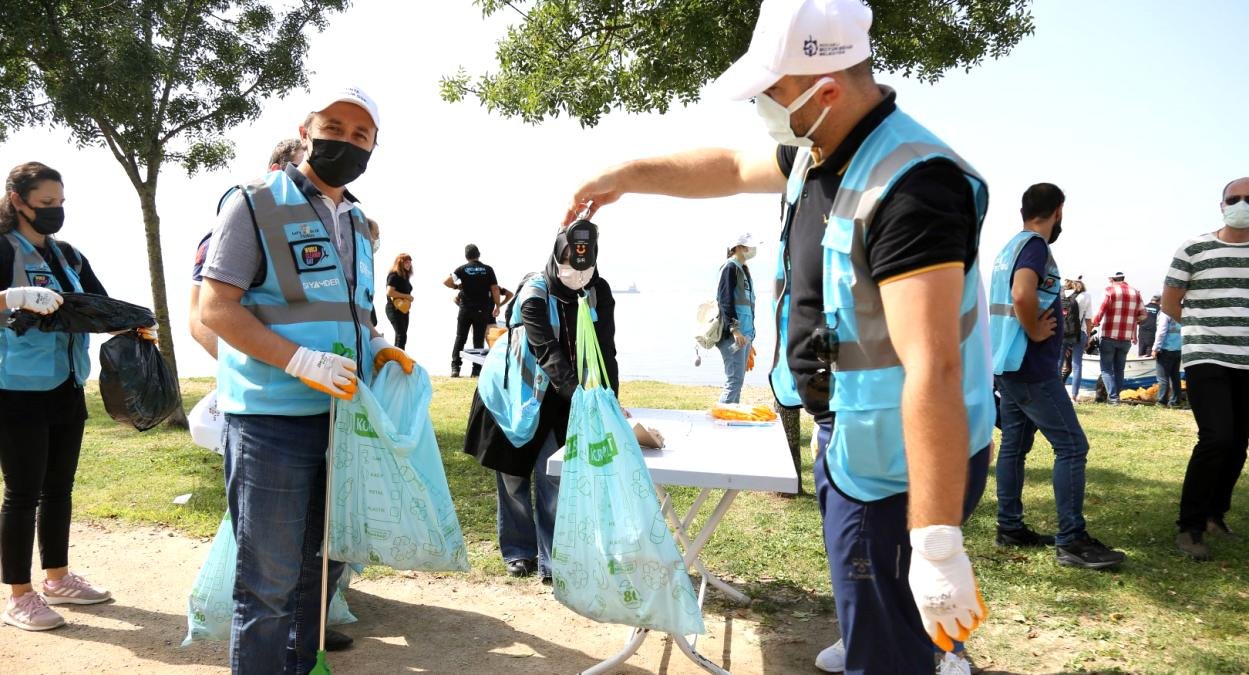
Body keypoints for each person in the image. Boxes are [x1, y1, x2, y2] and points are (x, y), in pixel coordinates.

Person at [561, 2, 993, 671]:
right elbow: (731, 167)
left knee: (892, 636)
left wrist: (936, 543)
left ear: (824, 89)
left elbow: (931, 368)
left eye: (770, 90)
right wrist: (625, 177)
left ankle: (893, 647)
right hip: (848, 430)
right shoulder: (819, 149)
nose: (761, 102)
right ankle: (877, 629)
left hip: (897, 462)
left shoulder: (913, 187)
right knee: (873, 604)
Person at [198, 87, 414, 673]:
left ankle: (303, 664)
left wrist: (377, 345)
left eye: (361, 135)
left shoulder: (358, 223)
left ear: (374, 147)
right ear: (306, 129)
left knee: (326, 565)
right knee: (267, 583)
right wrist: (300, 361)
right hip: (271, 421)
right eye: (335, 127)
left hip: (344, 421)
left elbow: (352, 311)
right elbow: (215, 310)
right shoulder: (252, 204)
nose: (346, 141)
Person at [0, 162, 152, 631]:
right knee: (22, 493)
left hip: (67, 383)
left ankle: (58, 579)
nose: (55, 211)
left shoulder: (68, 256)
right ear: (17, 200)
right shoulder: (3, 250)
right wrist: (12, 298)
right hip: (15, 389)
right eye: (46, 204)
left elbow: (98, 306)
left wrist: (136, 323)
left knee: (58, 489)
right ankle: (19, 596)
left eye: (60, 203)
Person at [463, 225, 618, 584]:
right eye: (570, 263)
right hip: (517, 390)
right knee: (513, 475)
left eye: (585, 266)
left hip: (564, 394)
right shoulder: (534, 293)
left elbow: (606, 349)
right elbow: (545, 349)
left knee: (554, 477)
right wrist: (579, 393)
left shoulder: (598, 292)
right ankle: (519, 551)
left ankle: (553, 559)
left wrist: (609, 396)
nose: (577, 273)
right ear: (556, 257)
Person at [988, 183, 1126, 570]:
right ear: (1059, 211)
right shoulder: (1034, 246)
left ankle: (1010, 525)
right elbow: (1021, 293)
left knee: (1015, 447)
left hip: (1008, 365)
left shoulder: (1008, 247)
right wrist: (1033, 330)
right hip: (1030, 368)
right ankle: (1071, 540)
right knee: (1072, 447)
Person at [1165, 176, 1249, 561]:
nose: (1242, 204)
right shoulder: (1194, 248)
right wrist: (1202, 330)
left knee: (1238, 443)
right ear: (1221, 205)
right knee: (1216, 437)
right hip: (1207, 356)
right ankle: (1190, 526)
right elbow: (1170, 303)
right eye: (1235, 198)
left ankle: (1216, 515)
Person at [189, 138, 307, 358]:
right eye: (302, 169)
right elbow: (199, 317)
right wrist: (241, 370)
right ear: (275, 170)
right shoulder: (229, 231)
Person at [445, 244, 506, 377]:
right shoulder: (487, 269)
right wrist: (497, 306)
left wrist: (457, 287)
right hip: (482, 310)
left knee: (460, 338)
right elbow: (495, 288)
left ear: (466, 256)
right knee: (478, 340)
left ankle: (455, 368)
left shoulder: (462, 269)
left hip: (465, 309)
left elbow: (446, 281)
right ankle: (476, 371)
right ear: (479, 254)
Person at [716, 233, 758, 403]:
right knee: (734, 381)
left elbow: (747, 307)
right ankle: (720, 420)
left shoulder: (743, 271)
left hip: (744, 335)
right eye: (748, 246)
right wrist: (735, 330)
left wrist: (750, 337)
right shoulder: (730, 268)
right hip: (734, 336)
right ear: (738, 247)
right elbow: (725, 301)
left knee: (737, 382)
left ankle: (730, 421)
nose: (752, 250)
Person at [1091, 272, 1146, 403]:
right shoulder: (1136, 292)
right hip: (1126, 338)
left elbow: (1100, 311)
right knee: (1119, 370)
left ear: (1111, 279)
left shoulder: (1109, 290)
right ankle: (1117, 397)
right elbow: (1143, 314)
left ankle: (1113, 398)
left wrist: (1093, 324)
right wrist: (1132, 320)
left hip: (1109, 334)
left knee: (1106, 369)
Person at [1060, 277, 1094, 400]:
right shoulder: (1085, 296)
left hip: (1061, 333)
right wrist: (1089, 337)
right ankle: (1074, 396)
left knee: (1058, 364)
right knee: (1077, 365)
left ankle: (1056, 394)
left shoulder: (1060, 293)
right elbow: (1089, 318)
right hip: (1079, 333)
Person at [1152, 312, 1182, 408]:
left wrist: (1156, 348)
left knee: (1163, 377)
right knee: (1175, 376)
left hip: (1166, 349)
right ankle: (1176, 401)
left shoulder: (1165, 313)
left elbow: (1161, 331)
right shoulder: (1181, 312)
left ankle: (1162, 402)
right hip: (1178, 348)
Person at [385, 252, 413, 349]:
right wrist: (407, 296)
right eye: (406, 262)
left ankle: (401, 357)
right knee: (401, 335)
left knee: (403, 336)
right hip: (394, 309)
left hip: (404, 310)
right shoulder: (394, 275)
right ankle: (397, 360)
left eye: (410, 262)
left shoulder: (405, 277)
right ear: (400, 263)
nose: (408, 264)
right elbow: (389, 292)